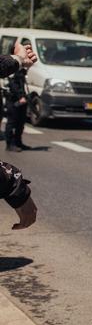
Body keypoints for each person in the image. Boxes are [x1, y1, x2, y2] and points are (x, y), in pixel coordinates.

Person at [1, 41, 39, 229]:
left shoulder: (19, 71)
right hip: (13, 102)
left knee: (18, 125)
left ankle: (16, 142)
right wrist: (16, 190)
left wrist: (18, 60)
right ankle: (11, 143)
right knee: (12, 124)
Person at [3, 67, 30, 151]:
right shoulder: (13, 68)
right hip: (13, 100)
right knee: (12, 123)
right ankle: (9, 144)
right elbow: (12, 84)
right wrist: (20, 96)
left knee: (20, 123)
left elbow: (22, 85)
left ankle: (18, 142)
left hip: (21, 101)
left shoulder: (22, 70)